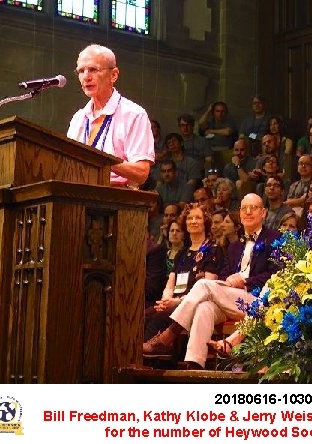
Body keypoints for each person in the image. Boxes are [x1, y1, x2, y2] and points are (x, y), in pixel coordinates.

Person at [142, 194, 280, 369]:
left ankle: (169, 334)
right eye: (244, 208)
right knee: (204, 308)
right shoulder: (235, 245)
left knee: (203, 284)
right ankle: (194, 364)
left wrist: (245, 281)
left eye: (254, 208)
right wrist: (228, 282)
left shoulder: (275, 239)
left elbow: (276, 274)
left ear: (264, 213)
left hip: (256, 301)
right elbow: (223, 276)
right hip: (229, 298)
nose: (248, 212)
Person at [67, 44, 154, 187]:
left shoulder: (134, 114)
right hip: (76, 196)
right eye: (81, 71)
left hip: (115, 200)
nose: (86, 77)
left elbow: (141, 173)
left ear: (114, 75)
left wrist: (99, 161)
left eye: (93, 69)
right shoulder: (78, 118)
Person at [144, 204, 223, 341]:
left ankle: (146, 356)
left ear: (205, 222)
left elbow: (208, 288)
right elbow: (171, 283)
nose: (193, 221)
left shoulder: (213, 250)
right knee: (144, 316)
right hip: (173, 302)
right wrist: (165, 301)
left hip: (193, 305)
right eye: (189, 218)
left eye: (198, 218)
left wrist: (176, 302)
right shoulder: (182, 252)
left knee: (158, 319)